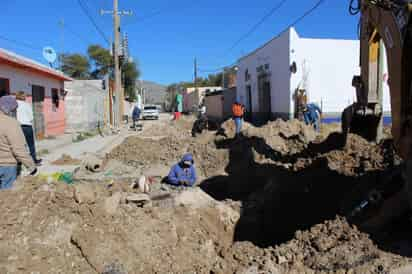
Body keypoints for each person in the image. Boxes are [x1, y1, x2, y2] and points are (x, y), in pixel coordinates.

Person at [0, 96, 37, 190]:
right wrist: (31, 167)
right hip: (6, 166)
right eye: (15, 109)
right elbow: (18, 149)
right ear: (10, 109)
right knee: (6, 198)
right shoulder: (11, 123)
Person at [15, 92, 42, 165]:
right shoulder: (26, 104)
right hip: (27, 126)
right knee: (31, 144)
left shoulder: (14, 104)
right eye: (25, 96)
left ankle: (19, 161)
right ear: (23, 96)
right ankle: (34, 160)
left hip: (17, 126)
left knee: (18, 145)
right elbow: (31, 117)